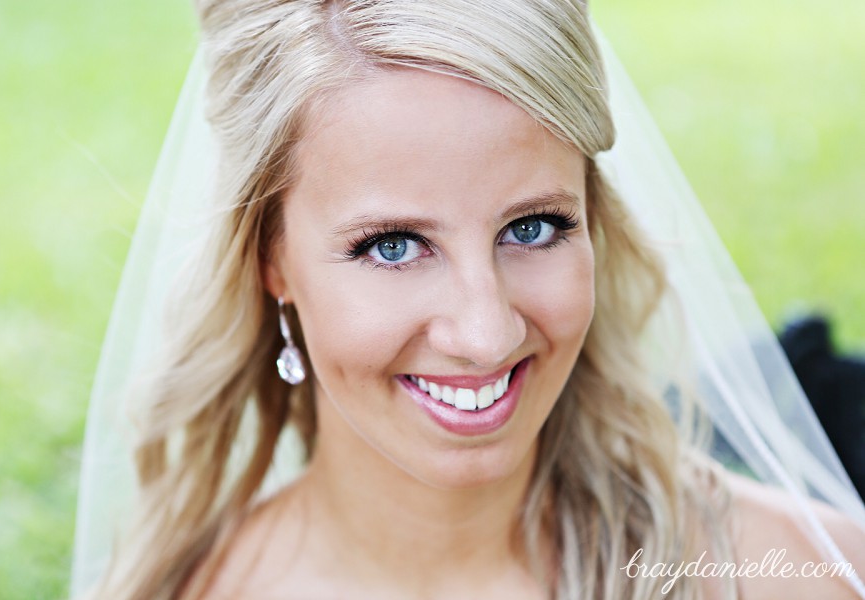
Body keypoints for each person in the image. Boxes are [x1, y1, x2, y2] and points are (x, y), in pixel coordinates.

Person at [71, 1, 865, 598]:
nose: (487, 334)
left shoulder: (795, 571)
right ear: (269, 260)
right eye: (393, 246)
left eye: (534, 227)